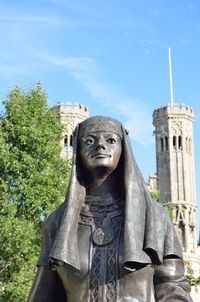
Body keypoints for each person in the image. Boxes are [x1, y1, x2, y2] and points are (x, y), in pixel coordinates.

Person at [28, 116, 192, 302]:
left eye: (111, 140)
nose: (100, 146)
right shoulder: (58, 221)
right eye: (89, 141)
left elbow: (173, 287)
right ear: (78, 151)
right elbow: (44, 295)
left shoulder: (154, 217)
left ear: (123, 149)